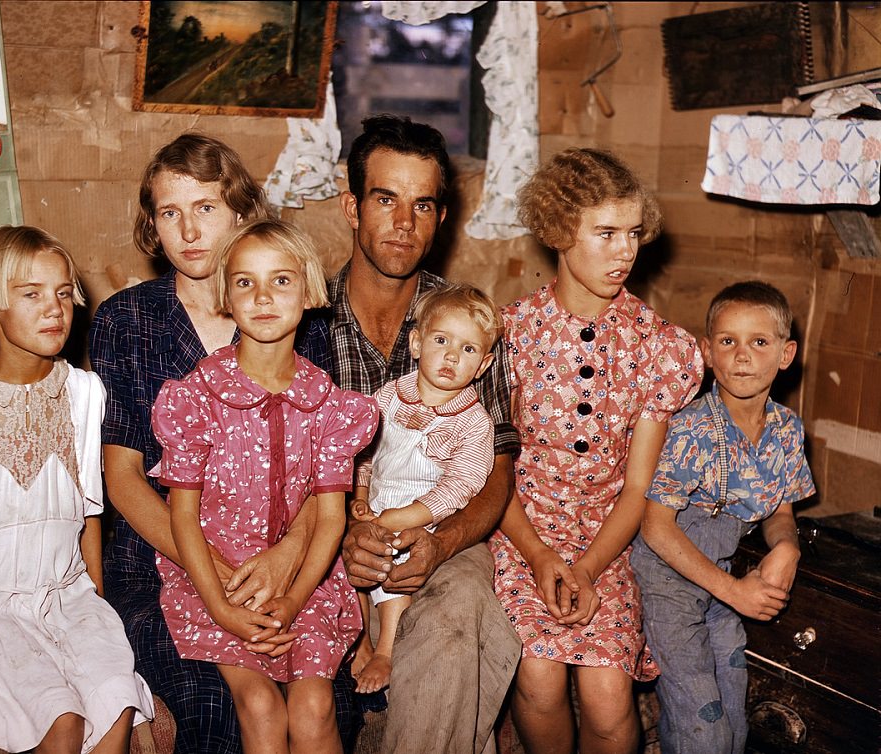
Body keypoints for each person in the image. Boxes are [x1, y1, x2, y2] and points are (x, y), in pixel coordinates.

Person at [89, 132, 362, 753]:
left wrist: (287, 559)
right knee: (221, 711)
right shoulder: (126, 320)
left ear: (241, 211)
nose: (188, 229)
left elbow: (327, 475)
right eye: (169, 212)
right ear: (152, 227)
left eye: (206, 208)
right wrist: (213, 572)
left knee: (326, 706)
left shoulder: (296, 318)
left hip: (291, 555)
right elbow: (124, 476)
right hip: (166, 559)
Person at [0, 225, 153, 753]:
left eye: (63, 293)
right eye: (31, 294)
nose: (54, 308)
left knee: (116, 700)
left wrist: (97, 612)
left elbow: (89, 516)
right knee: (59, 719)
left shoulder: (86, 393)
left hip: (69, 598)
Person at [489, 148, 705, 754]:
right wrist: (538, 556)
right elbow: (492, 474)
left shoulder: (655, 346)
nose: (625, 250)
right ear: (559, 232)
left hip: (608, 541)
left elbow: (637, 488)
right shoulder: (509, 334)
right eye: (605, 233)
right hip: (521, 533)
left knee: (609, 696)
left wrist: (587, 567)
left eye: (633, 233)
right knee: (538, 674)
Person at [150, 217, 378, 754]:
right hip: (215, 581)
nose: (263, 297)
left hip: (308, 580)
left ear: (308, 289)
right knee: (258, 706)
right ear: (226, 294)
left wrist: (295, 599)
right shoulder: (197, 397)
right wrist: (223, 607)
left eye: (281, 280)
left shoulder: (329, 404)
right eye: (245, 282)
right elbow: (181, 516)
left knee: (315, 706)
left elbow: (329, 519)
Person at [331, 114, 522, 754]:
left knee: (460, 610)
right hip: (330, 531)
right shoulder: (305, 321)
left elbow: (496, 475)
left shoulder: (468, 324)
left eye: (422, 205)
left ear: (442, 218)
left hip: (442, 528)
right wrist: (349, 529)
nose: (404, 223)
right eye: (385, 199)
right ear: (351, 205)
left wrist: (440, 546)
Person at [630, 281, 815, 754]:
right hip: (671, 578)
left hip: (721, 579)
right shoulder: (692, 427)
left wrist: (786, 546)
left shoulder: (786, 430)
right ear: (707, 352)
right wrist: (734, 591)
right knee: (700, 717)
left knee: (732, 710)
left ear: (786, 353)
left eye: (759, 342)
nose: (743, 356)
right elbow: (655, 527)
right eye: (728, 341)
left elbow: (780, 509)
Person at [349, 284, 500, 694]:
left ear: (484, 365)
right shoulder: (390, 396)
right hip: (378, 501)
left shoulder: (473, 423)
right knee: (346, 561)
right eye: (441, 340)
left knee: (390, 567)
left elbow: (460, 486)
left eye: (469, 350)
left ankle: (385, 648)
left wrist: (408, 516)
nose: (452, 356)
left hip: (425, 517)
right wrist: (360, 500)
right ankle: (358, 636)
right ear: (416, 343)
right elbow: (363, 452)